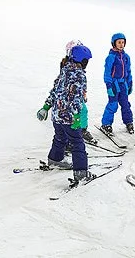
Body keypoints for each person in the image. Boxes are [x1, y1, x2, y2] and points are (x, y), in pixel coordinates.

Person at [36, 44, 95, 184]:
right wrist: (76, 117)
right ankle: (81, 173)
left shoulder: (64, 71)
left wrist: (46, 106)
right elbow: (76, 97)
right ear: (83, 60)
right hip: (69, 117)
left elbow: (55, 91)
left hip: (57, 115)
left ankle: (55, 159)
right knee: (77, 143)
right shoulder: (79, 75)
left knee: (60, 137)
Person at [37, 40, 97, 145]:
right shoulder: (66, 66)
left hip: (76, 97)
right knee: (70, 119)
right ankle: (70, 140)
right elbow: (59, 86)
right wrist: (46, 106)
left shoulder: (78, 69)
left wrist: (82, 94)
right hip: (67, 101)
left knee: (84, 111)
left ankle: (82, 130)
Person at [100, 33, 134, 135]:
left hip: (123, 84)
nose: (121, 44)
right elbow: (107, 73)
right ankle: (106, 124)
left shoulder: (126, 57)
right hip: (114, 84)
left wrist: (130, 83)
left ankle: (128, 122)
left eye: (123, 42)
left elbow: (128, 71)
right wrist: (109, 85)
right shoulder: (111, 57)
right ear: (114, 43)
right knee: (113, 104)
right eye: (119, 42)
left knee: (125, 104)